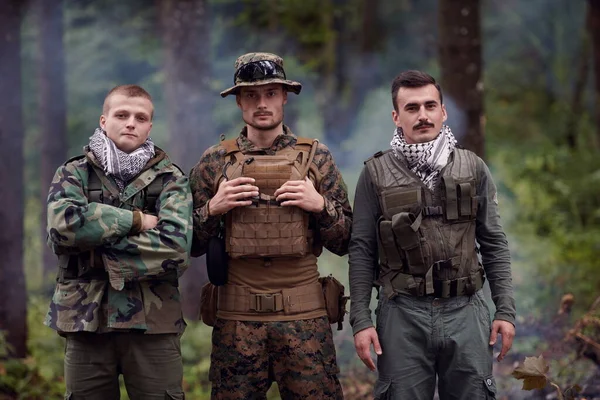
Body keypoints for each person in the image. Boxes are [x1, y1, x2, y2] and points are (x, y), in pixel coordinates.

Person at [189, 52, 352, 399]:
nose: (261, 103)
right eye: (250, 95)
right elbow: (187, 244)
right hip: (236, 321)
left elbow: (346, 240)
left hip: (305, 319)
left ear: (284, 96)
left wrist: (320, 206)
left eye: (270, 93)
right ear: (238, 101)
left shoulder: (316, 157)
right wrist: (212, 209)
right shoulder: (214, 161)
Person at [348, 70, 516, 399]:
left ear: (443, 111)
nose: (423, 116)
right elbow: (362, 250)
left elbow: (494, 243)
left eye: (430, 106)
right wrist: (361, 320)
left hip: (466, 311)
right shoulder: (374, 174)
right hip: (402, 314)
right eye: (412, 108)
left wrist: (505, 312)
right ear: (396, 117)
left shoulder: (473, 167)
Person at [45, 84, 192, 400]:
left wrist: (97, 253)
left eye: (140, 117)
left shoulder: (171, 179)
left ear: (150, 126)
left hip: (153, 326)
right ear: (103, 120)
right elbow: (62, 227)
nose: (131, 123)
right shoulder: (74, 173)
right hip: (86, 322)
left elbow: (176, 247)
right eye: (121, 115)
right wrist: (136, 221)